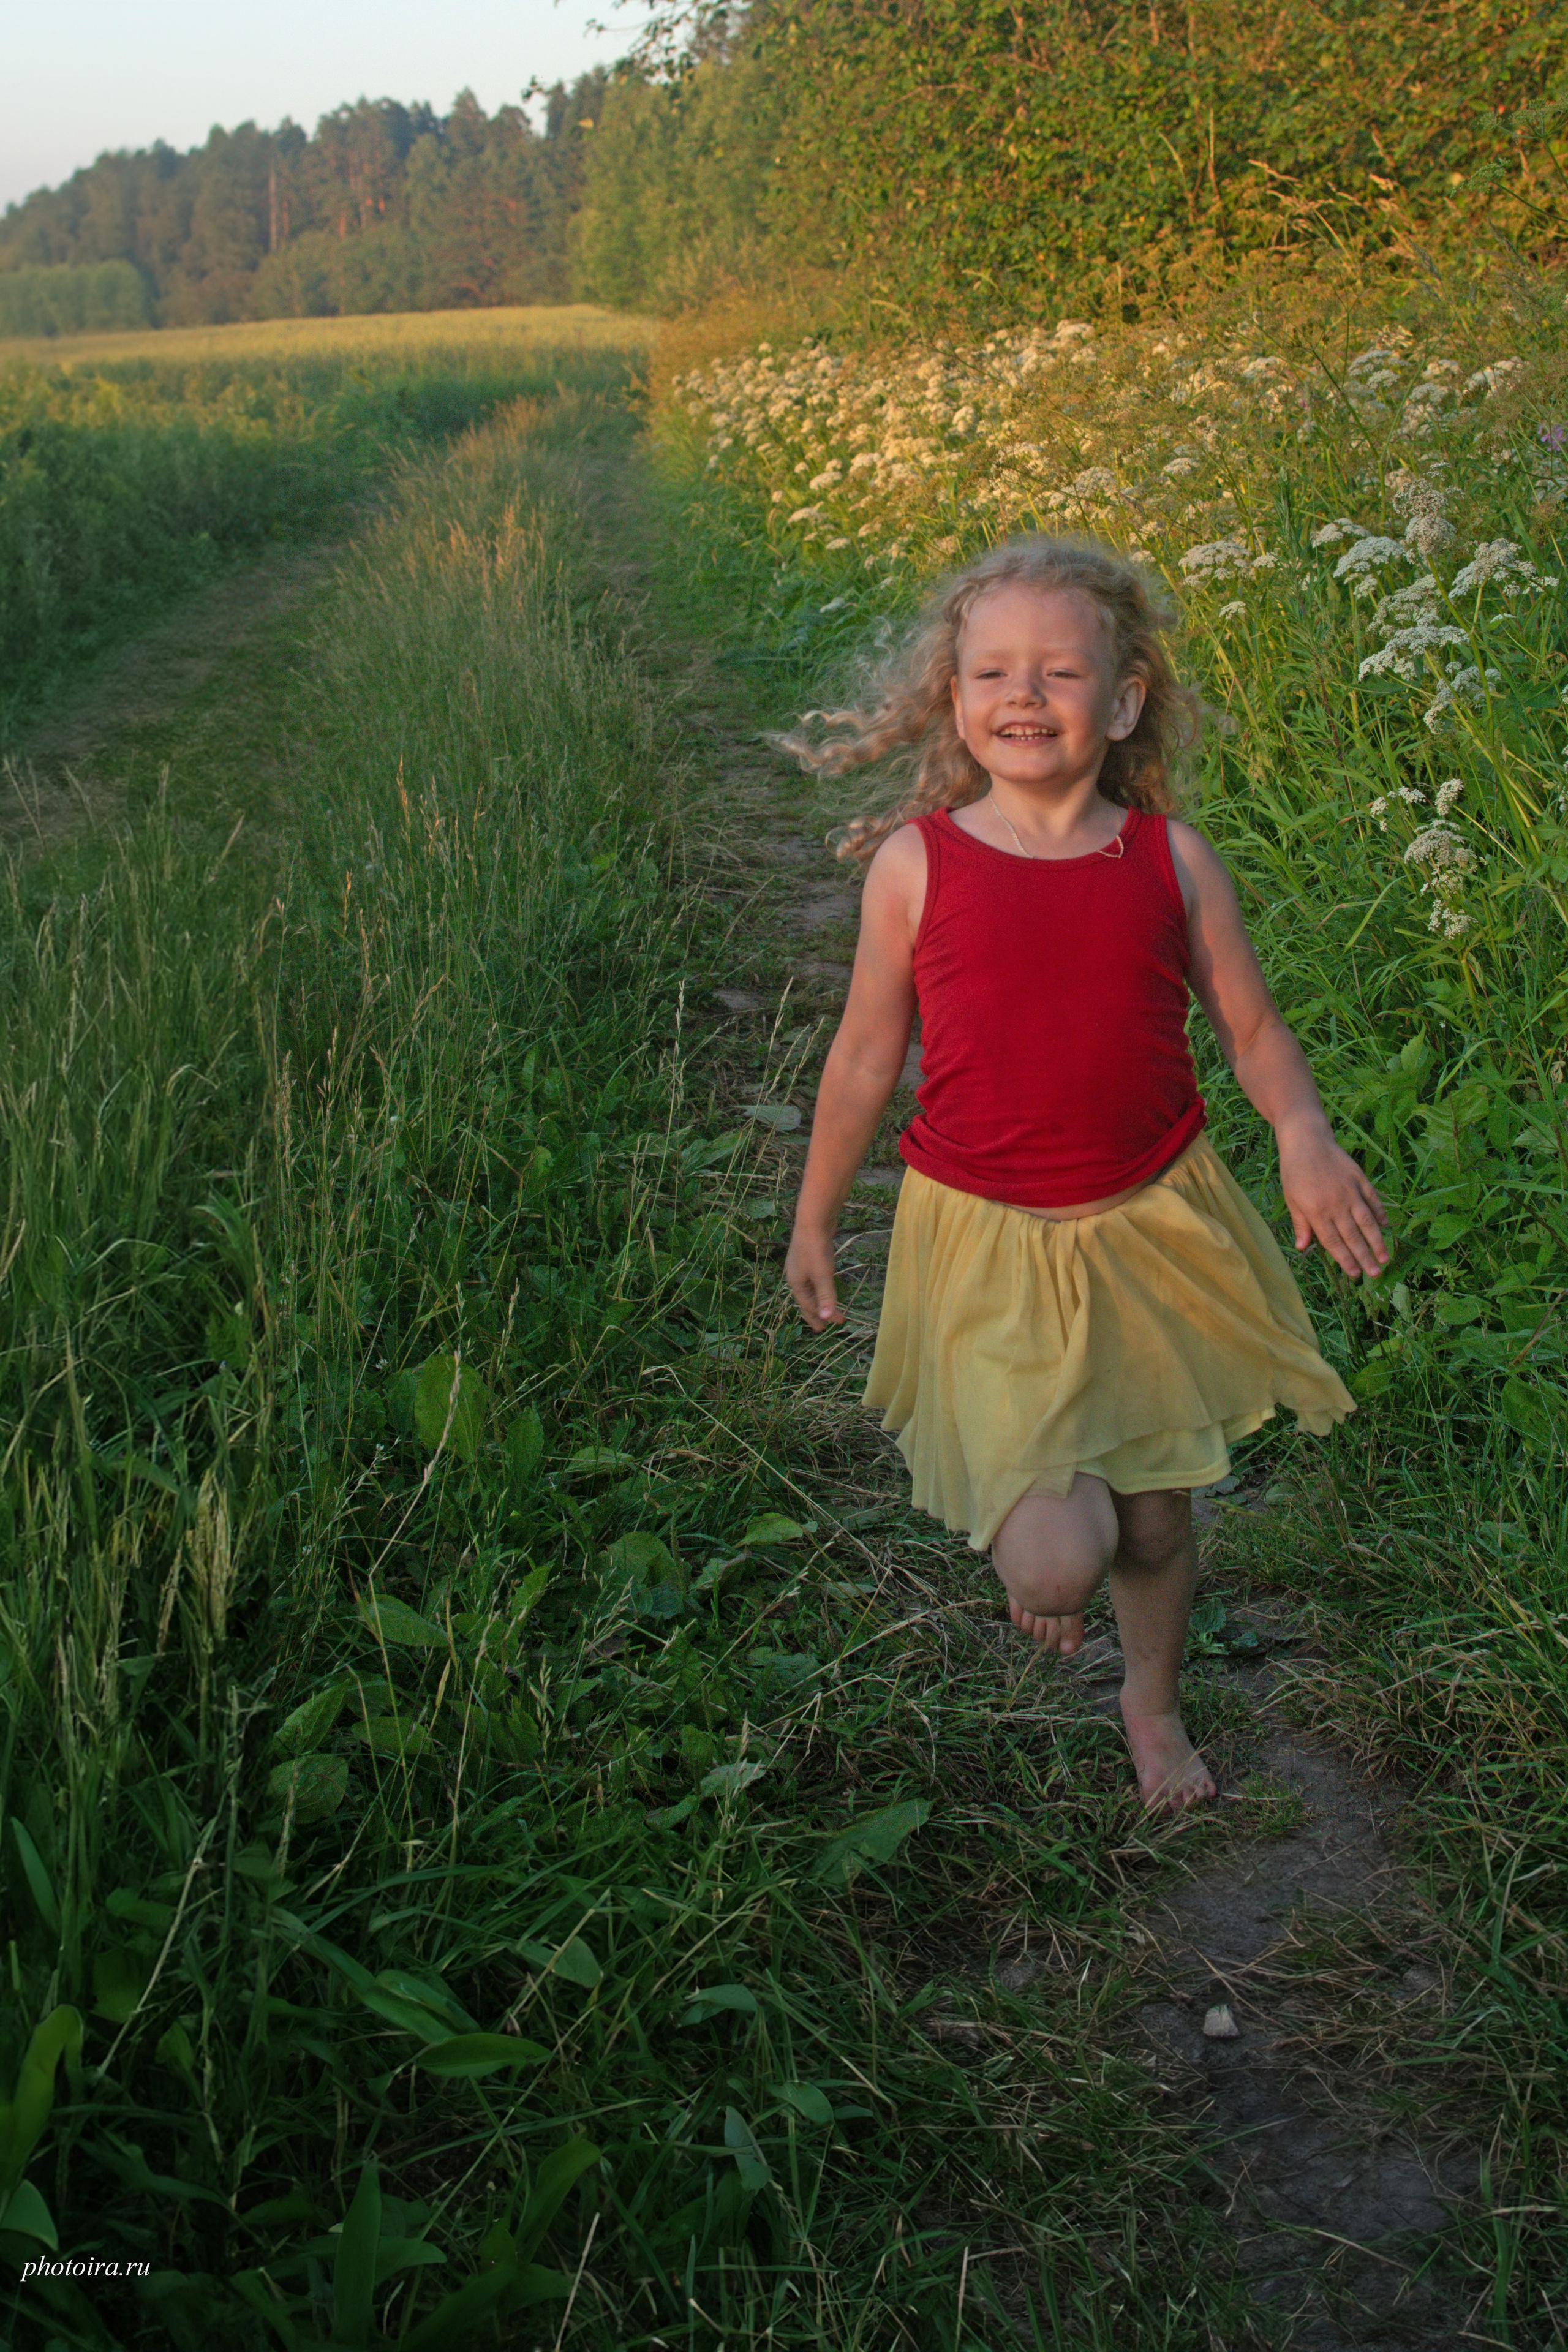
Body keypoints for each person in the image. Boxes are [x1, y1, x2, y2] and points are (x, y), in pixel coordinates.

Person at [782, 537, 1388, 1811]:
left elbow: (1253, 1032)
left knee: (1157, 1520)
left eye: (1059, 674)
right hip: (984, 1240)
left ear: (1119, 704)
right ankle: (1048, 1570)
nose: (1022, 696)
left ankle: (1149, 1703)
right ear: (954, 698)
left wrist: (1302, 1135)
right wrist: (815, 1213)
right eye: (992, 671)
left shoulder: (1168, 860)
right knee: (1060, 1560)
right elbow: (860, 1059)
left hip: (1145, 1224)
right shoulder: (916, 866)